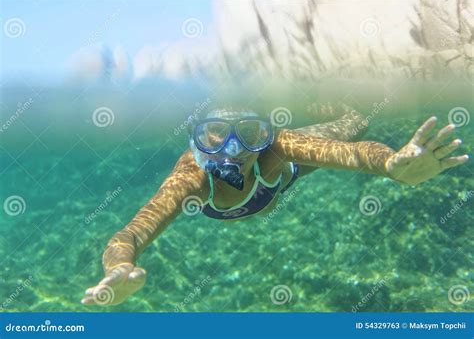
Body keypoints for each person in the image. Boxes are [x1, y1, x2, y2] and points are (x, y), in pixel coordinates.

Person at [81, 104, 468, 306]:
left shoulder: (275, 149)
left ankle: (327, 97)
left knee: (356, 122)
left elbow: (352, 152)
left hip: (284, 177)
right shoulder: (190, 179)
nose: (232, 149)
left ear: (263, 132)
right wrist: (120, 266)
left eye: (249, 132)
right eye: (214, 134)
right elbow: (131, 234)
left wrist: (390, 165)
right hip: (270, 191)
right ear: (197, 139)